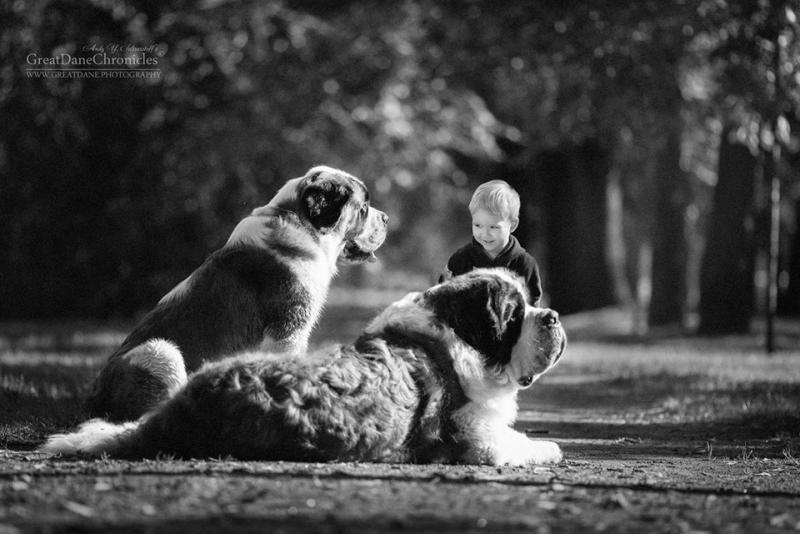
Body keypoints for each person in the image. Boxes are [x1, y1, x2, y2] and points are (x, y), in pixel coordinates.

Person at [440, 180, 542, 305]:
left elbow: (531, 307)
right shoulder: (460, 259)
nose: (485, 234)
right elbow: (442, 297)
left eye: (493, 227)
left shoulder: (525, 265)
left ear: (512, 225)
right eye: (478, 225)